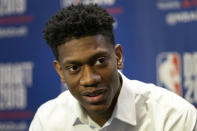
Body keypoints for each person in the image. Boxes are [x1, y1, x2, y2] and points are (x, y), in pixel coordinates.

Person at [29, 3, 197, 131]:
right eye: (74, 68)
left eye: (100, 61)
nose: (90, 79)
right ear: (60, 71)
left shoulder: (173, 117)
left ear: (118, 57)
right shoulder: (47, 121)